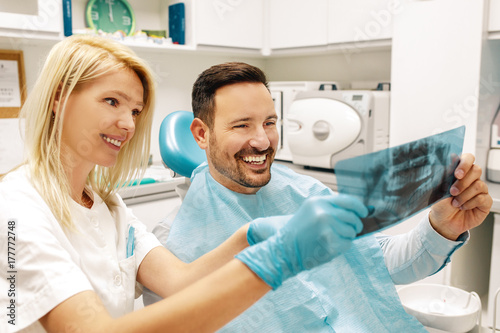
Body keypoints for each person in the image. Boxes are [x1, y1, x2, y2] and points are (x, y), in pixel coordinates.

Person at [0, 36, 374, 333]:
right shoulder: (17, 208)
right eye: (111, 101)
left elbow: (180, 281)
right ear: (59, 97)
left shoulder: (107, 203)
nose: (128, 124)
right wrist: (275, 262)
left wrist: (250, 236)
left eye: (134, 110)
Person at [146, 62, 493, 332]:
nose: (263, 141)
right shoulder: (173, 247)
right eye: (242, 125)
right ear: (201, 134)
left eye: (269, 122)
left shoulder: (303, 189)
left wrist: (440, 227)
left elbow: (379, 263)